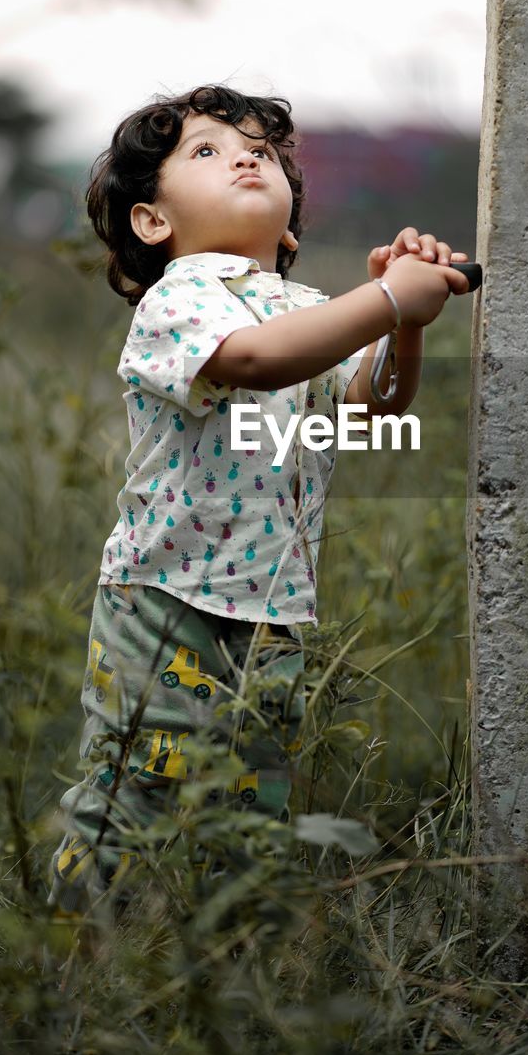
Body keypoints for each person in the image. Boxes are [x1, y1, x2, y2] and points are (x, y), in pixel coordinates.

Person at [47, 83, 473, 920]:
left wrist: (404, 322)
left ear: (287, 227)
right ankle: (72, 950)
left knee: (248, 804)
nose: (247, 155)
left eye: (265, 152)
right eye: (206, 151)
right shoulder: (179, 299)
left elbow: (370, 408)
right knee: (137, 783)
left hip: (273, 608)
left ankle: (219, 958)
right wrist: (384, 301)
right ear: (152, 222)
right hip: (164, 599)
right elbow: (251, 362)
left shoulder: (306, 310)